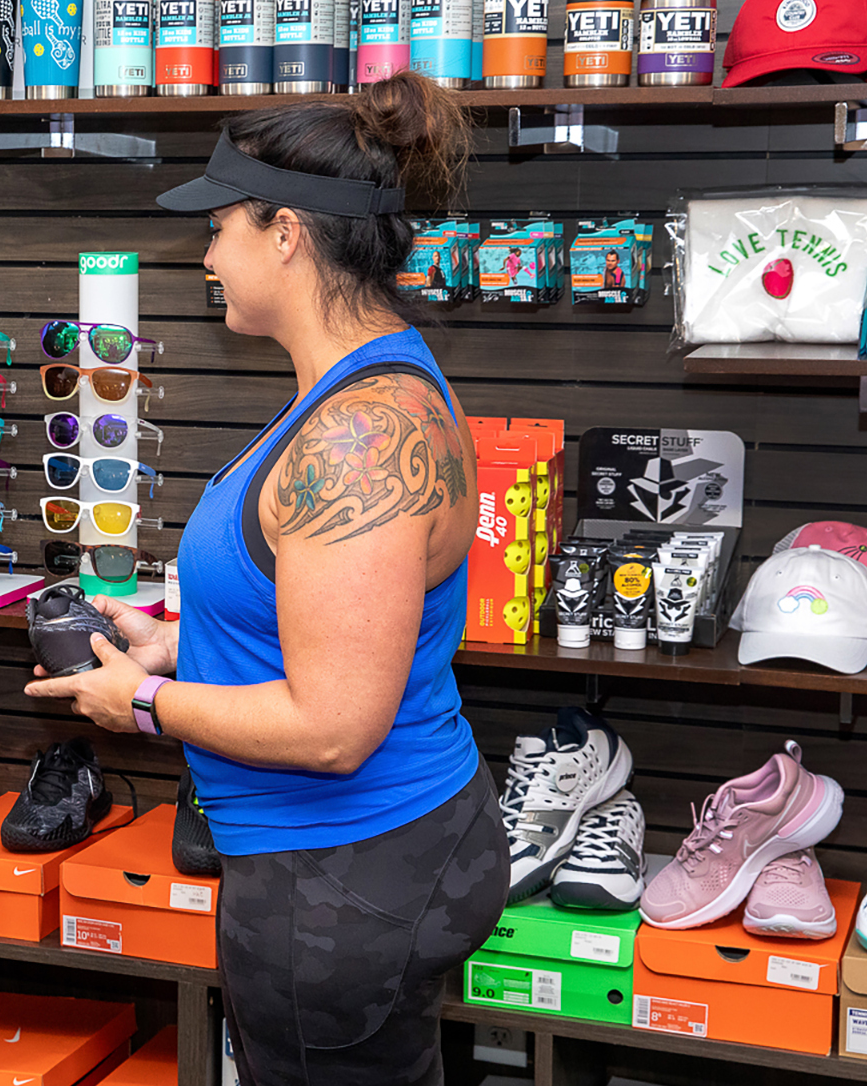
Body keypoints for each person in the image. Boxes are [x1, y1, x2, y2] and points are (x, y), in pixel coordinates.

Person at [26, 72, 508, 1086]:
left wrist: (141, 702)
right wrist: (181, 645)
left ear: (285, 232)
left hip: (343, 874)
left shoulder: (359, 437)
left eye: (218, 228)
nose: (207, 257)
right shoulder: (367, 387)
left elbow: (333, 729)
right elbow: (337, 615)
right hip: (367, 853)